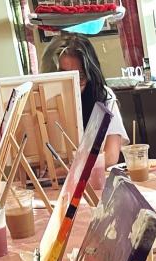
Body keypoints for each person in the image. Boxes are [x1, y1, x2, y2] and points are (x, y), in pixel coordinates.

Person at [40, 34, 129, 166]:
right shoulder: (39, 101)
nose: (73, 84)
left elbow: (111, 156)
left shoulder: (103, 96)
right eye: (63, 76)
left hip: (92, 179)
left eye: (80, 76)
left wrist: (69, 170)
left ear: (89, 75)